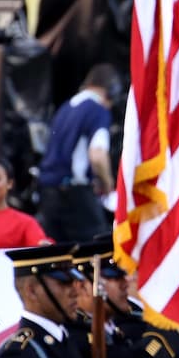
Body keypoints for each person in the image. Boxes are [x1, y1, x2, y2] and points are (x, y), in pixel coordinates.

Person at [36, 64, 117, 242]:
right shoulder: (98, 110)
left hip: (48, 195)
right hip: (75, 196)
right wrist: (107, 184)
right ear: (110, 91)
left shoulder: (66, 107)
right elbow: (97, 154)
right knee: (96, 248)